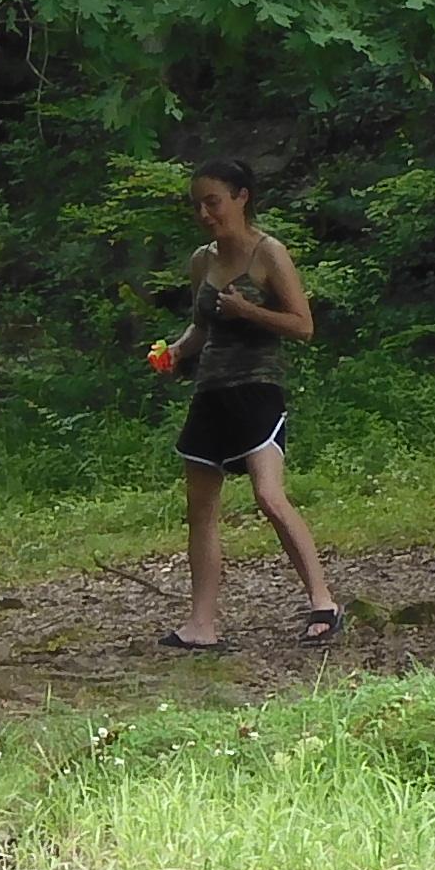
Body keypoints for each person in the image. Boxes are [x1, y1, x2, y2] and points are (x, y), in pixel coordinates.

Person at [161, 160, 344, 650]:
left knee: (269, 495)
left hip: (258, 389)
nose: (204, 213)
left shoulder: (269, 254)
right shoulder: (202, 261)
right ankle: (202, 624)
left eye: (213, 202)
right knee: (200, 508)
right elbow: (202, 327)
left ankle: (323, 602)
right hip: (211, 392)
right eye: (197, 204)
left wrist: (248, 310)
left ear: (242, 197)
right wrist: (176, 351)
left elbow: (303, 326)